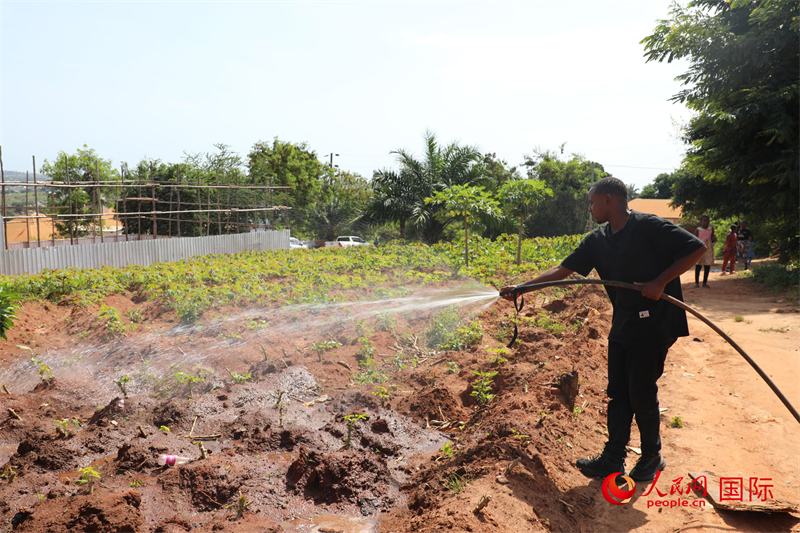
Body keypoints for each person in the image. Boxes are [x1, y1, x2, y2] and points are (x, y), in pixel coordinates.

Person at [501, 177, 706, 482]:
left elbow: (696, 248)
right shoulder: (597, 240)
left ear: (609, 200)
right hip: (625, 321)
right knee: (618, 393)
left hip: (657, 321)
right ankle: (613, 458)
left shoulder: (648, 226)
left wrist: (660, 281)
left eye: (592, 201)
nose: (590, 207)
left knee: (640, 390)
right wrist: (522, 288)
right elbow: (562, 271)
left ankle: (652, 455)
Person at [693, 215, 716, 288]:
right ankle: (696, 283)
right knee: (698, 265)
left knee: (707, 265)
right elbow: (695, 239)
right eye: (704, 221)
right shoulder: (698, 230)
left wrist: (714, 239)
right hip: (700, 248)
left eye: (707, 221)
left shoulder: (711, 229)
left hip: (708, 249)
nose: (706, 222)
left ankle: (704, 282)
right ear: (701, 222)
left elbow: (712, 238)